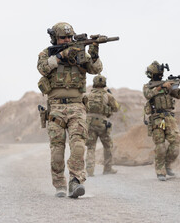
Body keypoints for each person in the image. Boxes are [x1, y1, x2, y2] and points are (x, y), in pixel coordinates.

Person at [37, 22, 103, 198]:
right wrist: (61, 55)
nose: (67, 40)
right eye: (62, 37)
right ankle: (59, 183)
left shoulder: (79, 52)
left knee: (79, 145)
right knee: (57, 151)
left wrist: (94, 53)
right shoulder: (46, 53)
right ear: (55, 39)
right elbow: (42, 68)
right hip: (56, 107)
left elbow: (95, 70)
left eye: (69, 37)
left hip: (77, 105)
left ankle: (76, 181)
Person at [143, 61, 180, 181]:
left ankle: (167, 165)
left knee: (175, 142)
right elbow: (148, 95)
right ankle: (160, 170)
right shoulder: (148, 86)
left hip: (169, 118)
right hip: (156, 119)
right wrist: (161, 87)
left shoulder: (168, 85)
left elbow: (179, 95)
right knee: (160, 146)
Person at [85, 75, 119, 176]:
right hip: (102, 124)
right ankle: (107, 169)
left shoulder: (88, 95)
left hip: (89, 123)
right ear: (104, 84)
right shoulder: (107, 96)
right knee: (107, 146)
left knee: (91, 147)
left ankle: (90, 170)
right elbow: (116, 108)